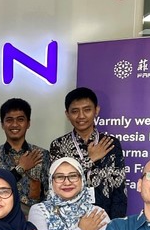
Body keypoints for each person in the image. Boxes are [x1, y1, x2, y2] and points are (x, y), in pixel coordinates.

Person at [49, 87, 127, 219]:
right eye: (75, 111)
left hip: (105, 217)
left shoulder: (110, 143)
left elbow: (119, 188)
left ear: (96, 110)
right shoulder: (58, 145)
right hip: (70, 218)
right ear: (67, 114)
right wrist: (89, 160)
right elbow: (56, 184)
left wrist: (115, 224)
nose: (81, 116)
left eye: (87, 110)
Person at [0, 98, 50, 216]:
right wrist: (20, 168)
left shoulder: (41, 155)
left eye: (20, 119)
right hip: (1, 217)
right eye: (9, 120)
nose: (14, 124)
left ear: (28, 123)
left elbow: (49, 193)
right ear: (2, 124)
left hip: (34, 217)